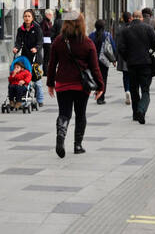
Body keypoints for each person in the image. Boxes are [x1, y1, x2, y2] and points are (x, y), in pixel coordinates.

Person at [47, 10, 104, 157]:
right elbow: (95, 67)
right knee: (80, 114)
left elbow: (52, 64)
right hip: (81, 85)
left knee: (64, 113)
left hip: (62, 83)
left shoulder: (58, 41)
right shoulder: (87, 42)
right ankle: (78, 145)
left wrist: (50, 83)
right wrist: (100, 85)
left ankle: (60, 137)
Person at [116, 6, 155, 123]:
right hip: (145, 63)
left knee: (134, 89)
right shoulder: (148, 28)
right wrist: (150, 50)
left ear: (132, 18)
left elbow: (120, 47)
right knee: (145, 90)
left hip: (131, 64)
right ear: (140, 18)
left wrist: (127, 57)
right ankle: (141, 109)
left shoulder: (125, 30)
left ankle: (135, 114)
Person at [13, 8, 46, 105]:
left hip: (36, 58)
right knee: (23, 79)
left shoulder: (37, 28)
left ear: (32, 18)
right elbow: (18, 42)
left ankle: (40, 100)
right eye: (25, 16)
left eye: (29, 16)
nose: (27, 18)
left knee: (37, 82)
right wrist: (16, 48)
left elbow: (40, 42)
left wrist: (36, 48)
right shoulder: (21, 29)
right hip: (25, 58)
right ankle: (23, 98)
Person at [89, 18, 116, 105]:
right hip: (104, 61)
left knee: (96, 78)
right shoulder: (107, 35)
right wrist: (114, 60)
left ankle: (97, 94)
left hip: (93, 60)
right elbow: (113, 47)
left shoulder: (91, 36)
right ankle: (101, 97)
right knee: (103, 79)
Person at [114, 11, 132, 105]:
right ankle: (132, 91)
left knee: (125, 75)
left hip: (122, 55)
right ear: (130, 18)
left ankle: (127, 91)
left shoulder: (119, 29)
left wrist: (115, 57)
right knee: (133, 75)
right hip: (133, 55)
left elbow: (116, 44)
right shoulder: (133, 28)